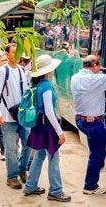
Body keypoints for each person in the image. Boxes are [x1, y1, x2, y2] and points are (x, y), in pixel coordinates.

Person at [70, 55, 106, 195]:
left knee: (95, 149)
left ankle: (98, 165)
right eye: (99, 65)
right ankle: (90, 186)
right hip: (93, 122)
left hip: (81, 119)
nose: (100, 68)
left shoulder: (75, 77)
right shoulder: (95, 80)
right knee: (96, 154)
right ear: (94, 66)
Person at [24, 55, 71, 202]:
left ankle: (30, 186)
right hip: (48, 128)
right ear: (48, 70)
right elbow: (50, 112)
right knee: (53, 158)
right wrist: (60, 132)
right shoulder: (47, 87)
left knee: (38, 157)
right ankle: (56, 191)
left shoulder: (36, 85)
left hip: (38, 125)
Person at [0, 44, 30, 189]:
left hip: (22, 115)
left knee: (29, 144)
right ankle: (12, 176)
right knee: (11, 148)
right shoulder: (2, 71)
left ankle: (22, 168)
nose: (18, 55)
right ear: (7, 54)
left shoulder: (21, 70)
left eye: (19, 52)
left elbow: (25, 93)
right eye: (14, 52)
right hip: (8, 116)